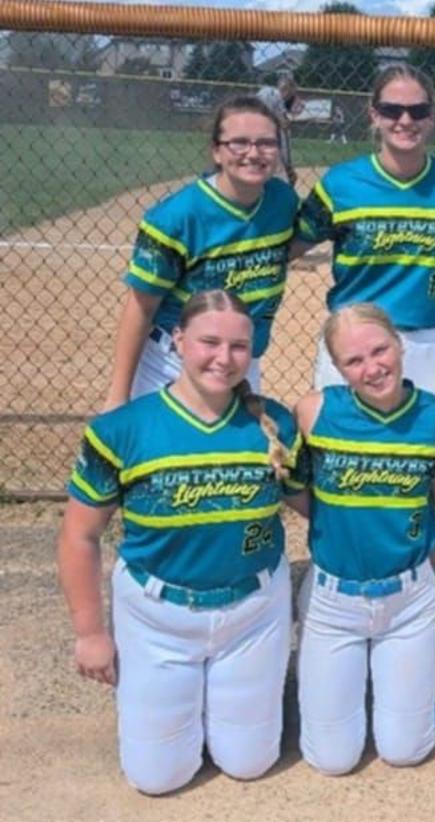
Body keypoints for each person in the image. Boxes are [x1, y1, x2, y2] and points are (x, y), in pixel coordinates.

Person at [57, 290, 303, 795]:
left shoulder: (275, 424)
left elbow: (315, 506)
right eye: (209, 342)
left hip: (253, 611)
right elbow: (79, 535)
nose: (224, 358)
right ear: (178, 340)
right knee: (157, 778)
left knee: (249, 763)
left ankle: (225, 698)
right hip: (158, 617)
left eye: (239, 346)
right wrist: (90, 633)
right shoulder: (123, 429)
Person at [292, 303, 435, 775]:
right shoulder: (314, 412)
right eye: (354, 360)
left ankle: (418, 695)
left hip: (408, 598)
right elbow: (301, 495)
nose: (372, 368)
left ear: (399, 345)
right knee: (332, 760)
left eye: (379, 350)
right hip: (332, 598)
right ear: (337, 367)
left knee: (405, 750)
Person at [295, 63, 435, 401]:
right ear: (374, 115)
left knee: (422, 433)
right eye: (392, 110)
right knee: (344, 432)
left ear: (432, 117)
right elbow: (289, 247)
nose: (405, 120)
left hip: (423, 338)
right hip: (353, 336)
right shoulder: (341, 184)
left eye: (418, 111)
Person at [103, 95, 298, 410]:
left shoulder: (282, 201)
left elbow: (287, 250)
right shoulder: (177, 217)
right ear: (216, 151)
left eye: (266, 143)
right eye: (239, 143)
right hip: (174, 364)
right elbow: (141, 308)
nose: (253, 153)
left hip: (241, 360)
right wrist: (117, 396)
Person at [256, 71, 301, 184]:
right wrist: (288, 165)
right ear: (287, 89)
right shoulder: (273, 95)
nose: (291, 97)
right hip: (269, 142)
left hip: (260, 139)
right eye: (292, 92)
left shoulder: (266, 93)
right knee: (282, 178)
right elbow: (283, 125)